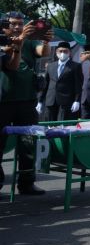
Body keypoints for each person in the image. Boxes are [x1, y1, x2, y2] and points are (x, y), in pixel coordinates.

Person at [0, 12, 52, 195]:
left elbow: (43, 53)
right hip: (3, 102)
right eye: (13, 24)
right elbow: (11, 66)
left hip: (27, 101)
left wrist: (46, 41)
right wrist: (17, 42)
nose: (17, 27)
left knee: (28, 144)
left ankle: (26, 183)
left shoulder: (29, 41)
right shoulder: (1, 41)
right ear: (4, 25)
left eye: (20, 23)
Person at [38, 41, 83, 122]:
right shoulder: (51, 66)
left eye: (65, 51)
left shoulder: (76, 66)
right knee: (49, 124)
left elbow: (78, 85)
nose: (62, 53)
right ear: (56, 52)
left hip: (66, 101)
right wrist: (40, 101)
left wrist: (77, 101)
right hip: (51, 100)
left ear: (69, 52)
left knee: (62, 125)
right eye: (60, 51)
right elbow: (45, 84)